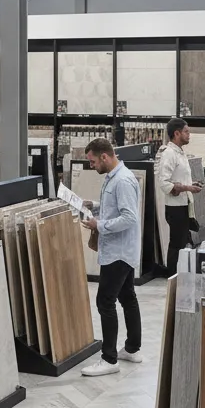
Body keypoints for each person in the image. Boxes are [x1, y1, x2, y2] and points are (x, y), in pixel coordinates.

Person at [79, 138, 142, 377]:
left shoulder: (122, 181)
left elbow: (129, 218)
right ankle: (132, 349)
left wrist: (99, 225)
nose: (92, 165)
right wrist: (94, 206)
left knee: (105, 302)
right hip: (122, 250)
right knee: (127, 297)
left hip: (118, 253)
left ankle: (109, 359)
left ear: (104, 157)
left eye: (93, 161)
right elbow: (115, 207)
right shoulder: (114, 177)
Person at [158, 118, 203, 276]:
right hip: (175, 207)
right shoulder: (169, 154)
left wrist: (190, 183)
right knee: (176, 244)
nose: (189, 135)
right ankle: (172, 277)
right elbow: (164, 183)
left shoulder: (180, 153)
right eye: (186, 132)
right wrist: (188, 188)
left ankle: (181, 275)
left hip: (184, 205)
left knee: (184, 241)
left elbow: (179, 177)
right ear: (176, 133)